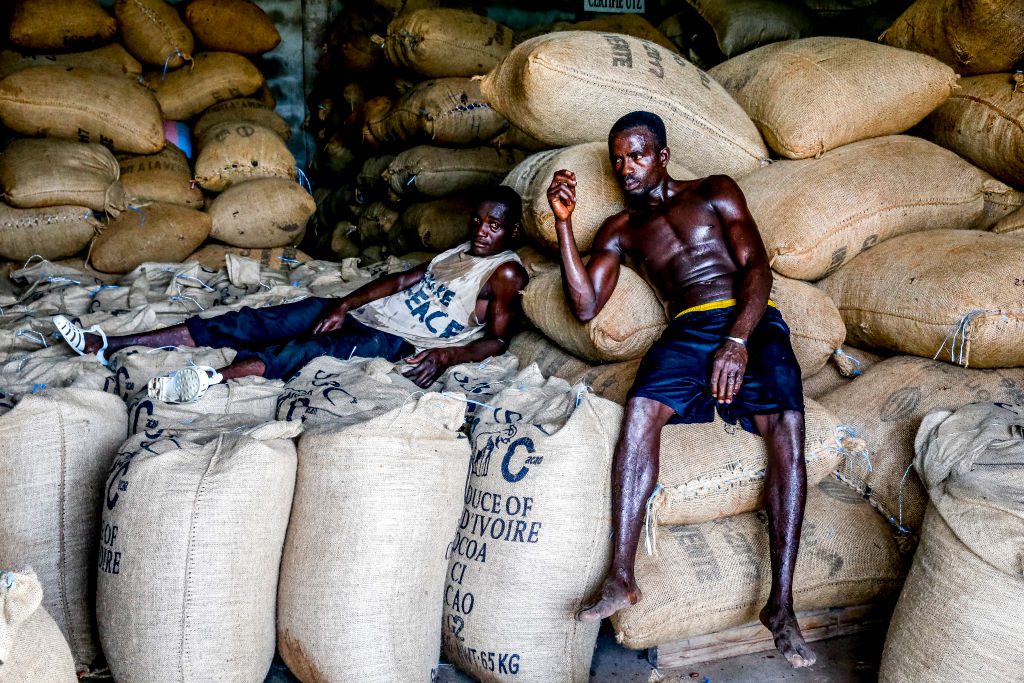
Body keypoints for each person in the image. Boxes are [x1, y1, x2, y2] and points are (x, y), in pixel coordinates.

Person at [547, 112, 815, 667]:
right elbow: (584, 305)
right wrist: (564, 225)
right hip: (687, 328)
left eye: (637, 155)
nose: (626, 168)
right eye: (618, 160)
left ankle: (781, 604)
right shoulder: (620, 229)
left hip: (749, 319)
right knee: (640, 410)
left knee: (789, 429)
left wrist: (738, 340)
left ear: (663, 155)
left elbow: (757, 267)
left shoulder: (715, 191)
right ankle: (621, 576)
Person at [53, 185, 529, 402]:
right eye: (478, 220)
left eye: (494, 225)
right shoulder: (459, 251)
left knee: (305, 350)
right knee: (260, 320)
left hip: (397, 340)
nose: (482, 231)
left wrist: (447, 356)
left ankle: (209, 380)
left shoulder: (505, 272)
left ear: (512, 231)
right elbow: (403, 280)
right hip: (371, 315)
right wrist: (343, 303)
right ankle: (109, 343)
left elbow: (498, 340)